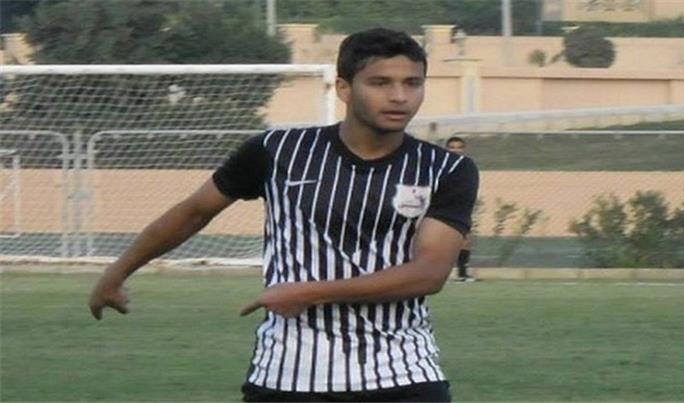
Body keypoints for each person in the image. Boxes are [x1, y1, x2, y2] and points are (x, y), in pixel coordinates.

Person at [88, 28, 478, 402]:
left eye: (413, 83)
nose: (399, 96)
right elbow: (193, 213)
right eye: (380, 83)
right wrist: (116, 272)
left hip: (403, 375)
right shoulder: (277, 150)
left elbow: (429, 273)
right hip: (288, 377)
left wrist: (308, 292)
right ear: (344, 88)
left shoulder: (447, 169)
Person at [445, 137, 477, 282]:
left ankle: (462, 273)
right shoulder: (441, 164)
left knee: (466, 239)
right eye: (452, 147)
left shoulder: (467, 165)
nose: (456, 150)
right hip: (441, 207)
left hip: (460, 208)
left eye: (459, 147)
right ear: (447, 149)